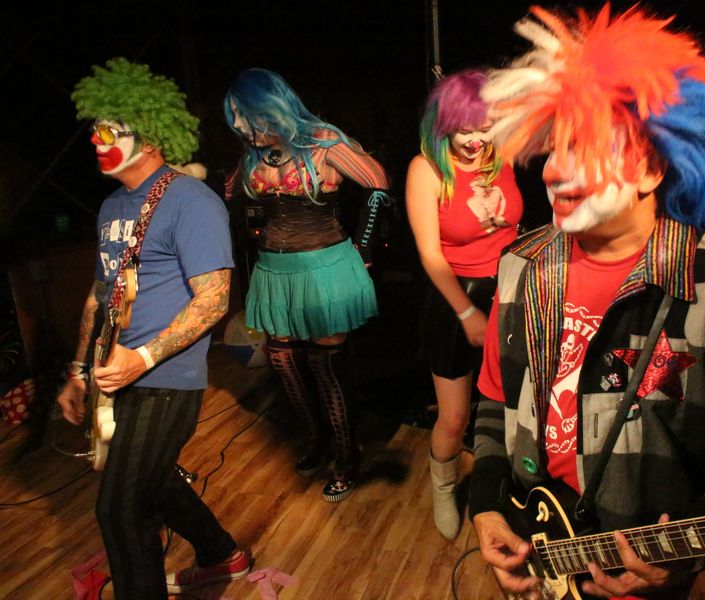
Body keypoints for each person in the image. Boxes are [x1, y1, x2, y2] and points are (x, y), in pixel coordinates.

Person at [467, 6, 705, 599]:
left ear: (650, 169)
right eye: (554, 148)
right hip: (538, 557)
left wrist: (692, 545)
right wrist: (487, 504)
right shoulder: (521, 267)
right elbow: (497, 402)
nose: (554, 170)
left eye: (584, 147)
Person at [58, 58, 247, 598]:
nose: (97, 141)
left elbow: (214, 300)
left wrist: (141, 358)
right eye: (95, 129)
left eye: (110, 130)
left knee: (121, 507)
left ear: (152, 134)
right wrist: (79, 370)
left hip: (164, 379)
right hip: (113, 372)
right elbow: (100, 294)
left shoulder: (191, 201)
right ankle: (222, 554)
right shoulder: (111, 206)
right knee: (153, 480)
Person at [224, 68, 390, 502]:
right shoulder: (252, 156)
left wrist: (364, 248)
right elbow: (227, 193)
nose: (238, 124)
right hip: (274, 271)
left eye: (244, 113)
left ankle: (346, 455)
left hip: (325, 267)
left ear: (270, 106)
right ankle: (315, 438)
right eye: (234, 116)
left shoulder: (323, 142)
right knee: (282, 360)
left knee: (326, 365)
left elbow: (378, 183)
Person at [406, 70, 524, 539]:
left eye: (485, 128)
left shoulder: (503, 155)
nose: (477, 141)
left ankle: (509, 491)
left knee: (513, 408)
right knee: (455, 416)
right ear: (443, 124)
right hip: (455, 298)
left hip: (512, 290)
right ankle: (443, 486)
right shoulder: (427, 169)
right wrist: (468, 313)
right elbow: (431, 256)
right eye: (465, 130)